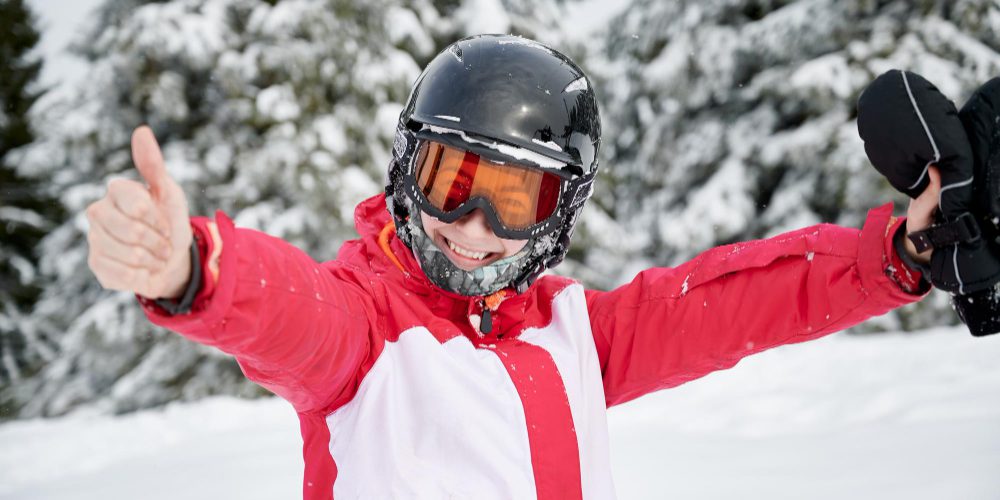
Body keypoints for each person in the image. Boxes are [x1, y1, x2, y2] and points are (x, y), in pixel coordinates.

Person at [85, 35, 940, 500]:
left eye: (514, 199)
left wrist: (894, 256)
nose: (474, 228)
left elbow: (731, 302)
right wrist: (198, 269)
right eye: (451, 181)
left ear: (559, 212)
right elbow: (290, 311)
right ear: (405, 172)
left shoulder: (576, 334)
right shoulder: (368, 335)